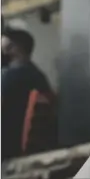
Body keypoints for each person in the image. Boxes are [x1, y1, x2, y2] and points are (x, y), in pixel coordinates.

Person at [1, 28, 53, 160]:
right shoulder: (37, 75)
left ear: (13, 48)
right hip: (24, 148)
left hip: (7, 148)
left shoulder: (13, 76)